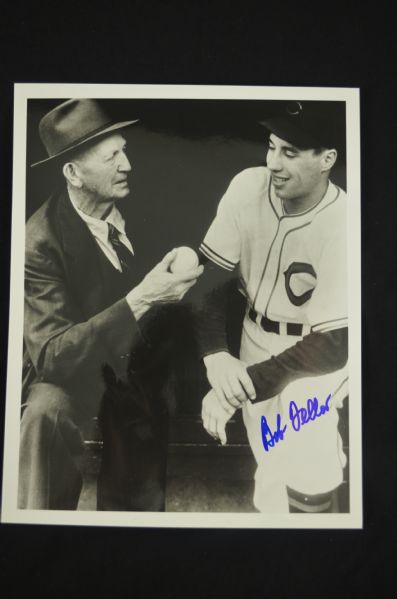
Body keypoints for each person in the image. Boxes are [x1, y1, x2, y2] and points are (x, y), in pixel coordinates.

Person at [19, 98, 203, 511]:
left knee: (140, 423)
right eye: (112, 156)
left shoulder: (140, 197)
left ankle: (128, 540)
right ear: (73, 173)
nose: (127, 164)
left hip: (140, 365)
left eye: (125, 149)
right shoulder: (38, 242)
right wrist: (141, 299)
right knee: (44, 413)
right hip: (75, 371)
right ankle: (36, 533)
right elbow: (51, 356)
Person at [198, 101, 348, 513]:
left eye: (291, 152)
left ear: (327, 160)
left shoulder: (344, 222)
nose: (274, 163)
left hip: (318, 353)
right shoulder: (248, 186)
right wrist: (217, 358)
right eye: (271, 146)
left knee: (306, 442)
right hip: (255, 336)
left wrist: (238, 389)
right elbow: (211, 280)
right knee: (271, 461)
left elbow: (335, 343)